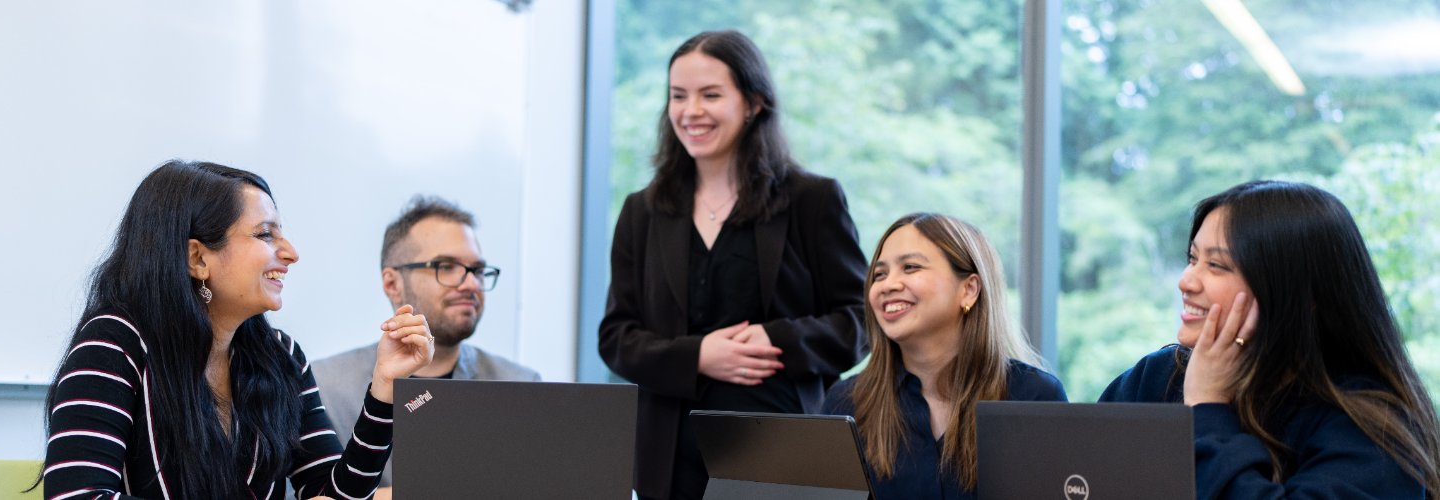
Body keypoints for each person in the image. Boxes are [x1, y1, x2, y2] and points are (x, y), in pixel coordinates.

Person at [40, 160, 435, 499]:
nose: (291, 253)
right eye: (265, 234)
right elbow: (78, 494)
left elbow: (328, 494)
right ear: (197, 258)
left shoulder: (281, 355)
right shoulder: (113, 344)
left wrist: (384, 389)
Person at [598, 29, 868, 500]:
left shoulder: (812, 199)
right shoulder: (642, 210)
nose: (690, 111)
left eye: (711, 95)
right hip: (671, 454)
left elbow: (859, 321)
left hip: (785, 445)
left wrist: (777, 337)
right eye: (678, 96)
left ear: (754, 103)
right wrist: (698, 356)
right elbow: (616, 337)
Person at [1099, 180, 1440, 498]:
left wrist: (1207, 406)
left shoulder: (1373, 432)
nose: (1186, 281)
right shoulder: (1156, 377)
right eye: (1192, 259)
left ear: (1300, 296)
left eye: (1216, 265)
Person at [821, 213, 1067, 498]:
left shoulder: (1034, 396)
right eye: (879, 274)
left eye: (910, 267)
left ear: (969, 289)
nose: (888, 285)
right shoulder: (843, 404)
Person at [312, 195, 540, 497]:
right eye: (445, 266)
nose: (471, 284)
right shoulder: (326, 388)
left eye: (477, 270)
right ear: (393, 284)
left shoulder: (521, 386)